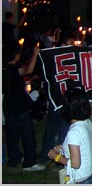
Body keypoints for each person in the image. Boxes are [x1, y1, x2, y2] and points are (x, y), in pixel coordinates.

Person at [2, 42, 45, 171]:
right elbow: (29, 70)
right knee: (28, 135)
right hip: (19, 107)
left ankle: (14, 159)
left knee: (11, 136)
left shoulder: (3, 69)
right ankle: (29, 162)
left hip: (8, 106)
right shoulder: (14, 69)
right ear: (15, 55)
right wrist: (36, 54)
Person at [47, 84, 92, 183]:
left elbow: (75, 163)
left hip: (79, 179)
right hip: (88, 175)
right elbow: (82, 146)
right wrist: (63, 147)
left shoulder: (74, 132)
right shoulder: (87, 122)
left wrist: (56, 157)